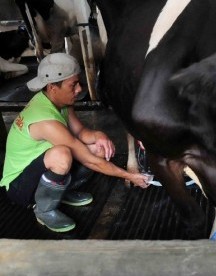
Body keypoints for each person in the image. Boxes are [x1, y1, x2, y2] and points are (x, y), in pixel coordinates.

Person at [0, 53, 149, 233]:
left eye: (78, 83)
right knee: (62, 155)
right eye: (73, 85)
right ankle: (44, 209)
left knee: (98, 149)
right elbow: (88, 160)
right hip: (19, 186)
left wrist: (98, 135)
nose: (79, 89)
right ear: (53, 87)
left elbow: (80, 132)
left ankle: (59, 193)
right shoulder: (45, 121)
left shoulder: (61, 102)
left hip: (39, 169)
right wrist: (129, 175)